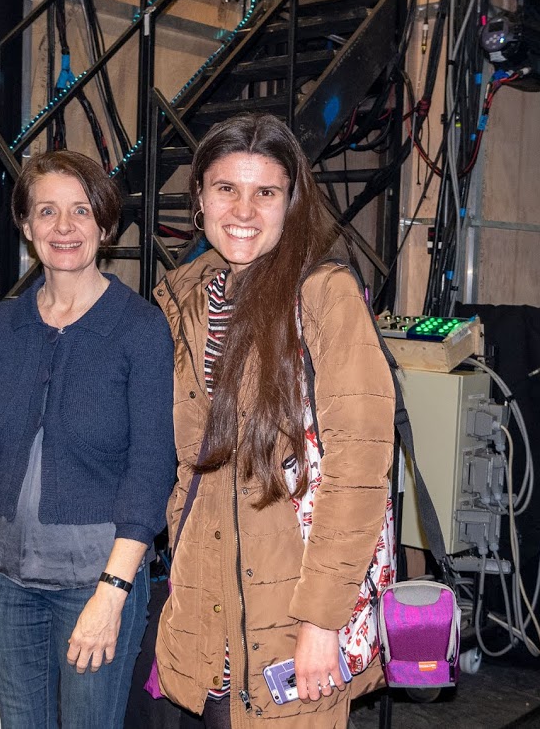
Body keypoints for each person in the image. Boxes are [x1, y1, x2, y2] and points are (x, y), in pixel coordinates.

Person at [150, 113, 396, 728]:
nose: (244, 209)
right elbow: (188, 465)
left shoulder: (323, 294)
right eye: (226, 188)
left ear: (291, 202)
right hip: (207, 613)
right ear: (199, 197)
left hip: (292, 613)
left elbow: (360, 469)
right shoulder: (180, 298)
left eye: (267, 192)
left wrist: (320, 622)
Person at [0, 150, 176, 729]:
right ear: (25, 226)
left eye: (81, 210)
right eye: (47, 211)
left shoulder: (141, 330)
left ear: (104, 223)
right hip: (4, 582)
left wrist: (113, 593)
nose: (64, 227)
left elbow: (151, 471)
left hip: (94, 586)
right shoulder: (4, 324)